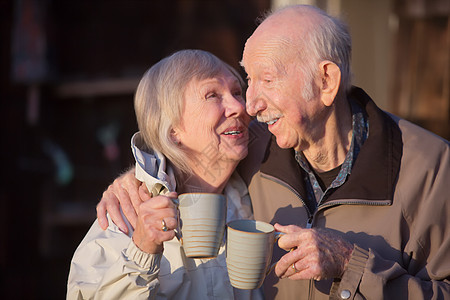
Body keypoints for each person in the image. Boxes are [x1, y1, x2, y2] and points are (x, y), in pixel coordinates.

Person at [97, 5, 450, 300]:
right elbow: (192, 148)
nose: (249, 103)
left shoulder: (432, 168)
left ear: (326, 82)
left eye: (267, 80)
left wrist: (351, 265)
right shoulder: (253, 145)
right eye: (248, 80)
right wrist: (136, 181)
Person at [67, 49, 263, 299]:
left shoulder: (257, 192)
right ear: (173, 131)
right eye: (212, 95)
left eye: (237, 92)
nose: (239, 107)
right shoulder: (126, 213)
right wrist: (142, 251)